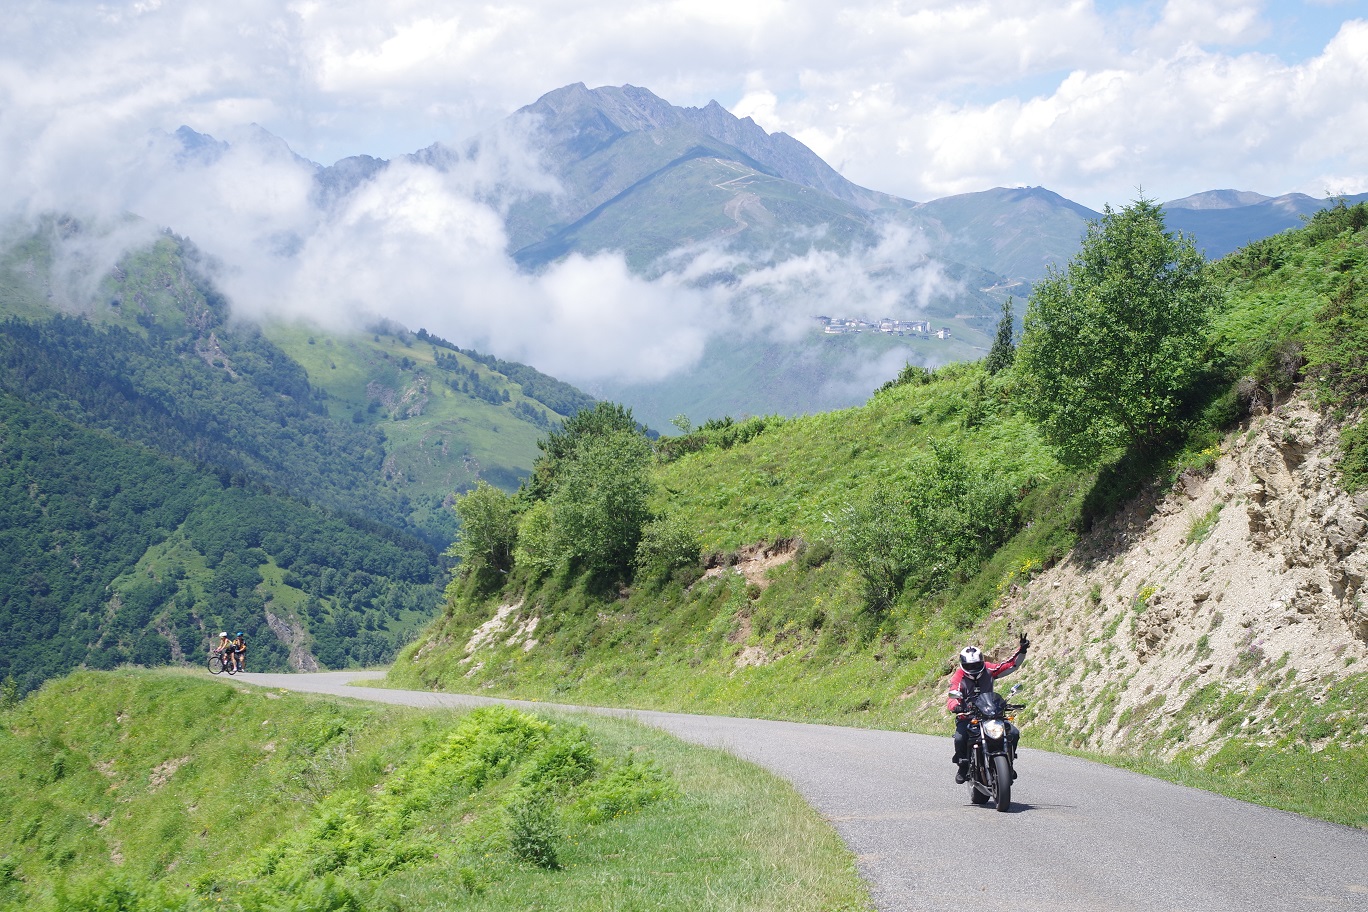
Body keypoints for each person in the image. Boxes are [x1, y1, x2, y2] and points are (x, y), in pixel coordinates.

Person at [947, 633, 1028, 783]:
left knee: (1014, 733)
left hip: (990, 714)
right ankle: (963, 766)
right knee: (960, 738)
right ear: (963, 664)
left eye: (976, 664)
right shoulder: (958, 676)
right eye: (969, 666)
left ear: (982, 662)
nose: (973, 668)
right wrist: (956, 706)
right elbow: (953, 694)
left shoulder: (988, 669)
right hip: (968, 716)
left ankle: (1008, 764)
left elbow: (1009, 665)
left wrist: (1022, 651)